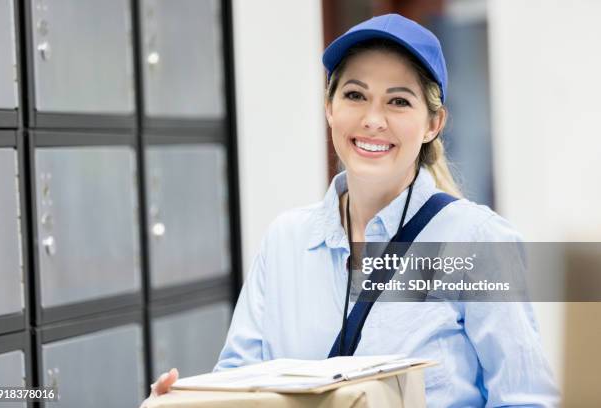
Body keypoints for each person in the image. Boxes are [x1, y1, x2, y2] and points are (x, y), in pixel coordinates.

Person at [143, 13, 559, 407]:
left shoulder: (477, 241)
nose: (373, 119)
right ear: (329, 108)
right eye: (355, 95)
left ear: (433, 124)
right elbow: (238, 385)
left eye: (398, 101)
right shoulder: (286, 241)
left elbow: (525, 398)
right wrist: (184, 402)